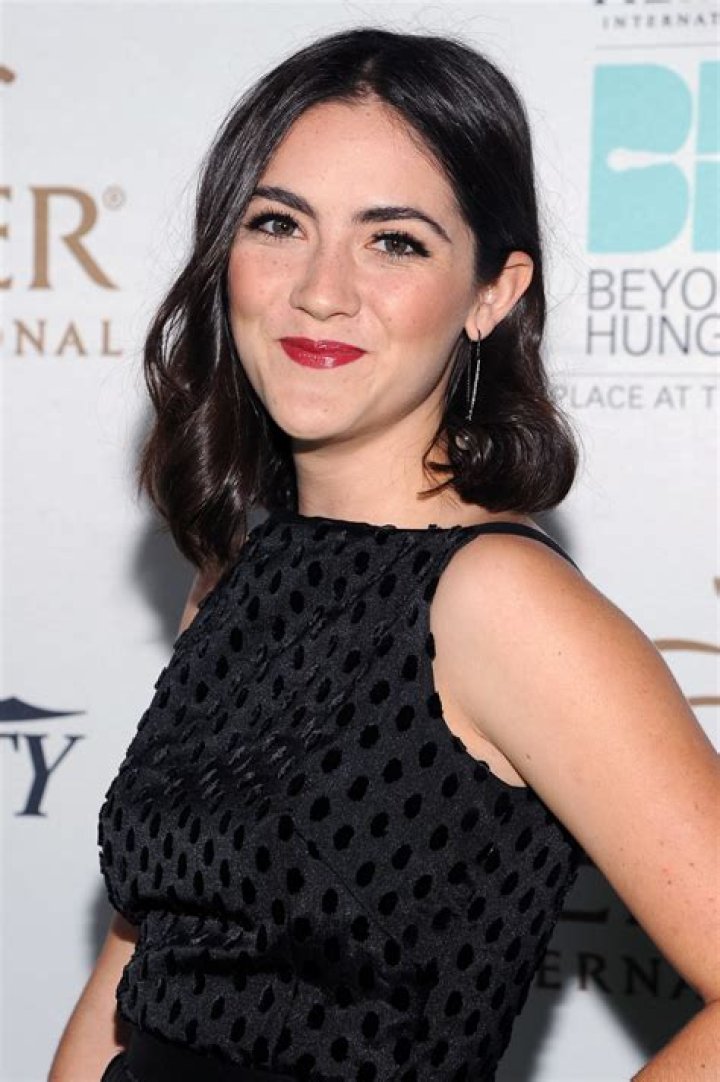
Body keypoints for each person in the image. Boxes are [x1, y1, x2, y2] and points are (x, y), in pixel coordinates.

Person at [49, 25, 719, 1082]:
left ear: (494, 292)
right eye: (279, 224)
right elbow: (139, 968)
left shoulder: (498, 602)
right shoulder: (236, 574)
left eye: (395, 241)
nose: (321, 289)